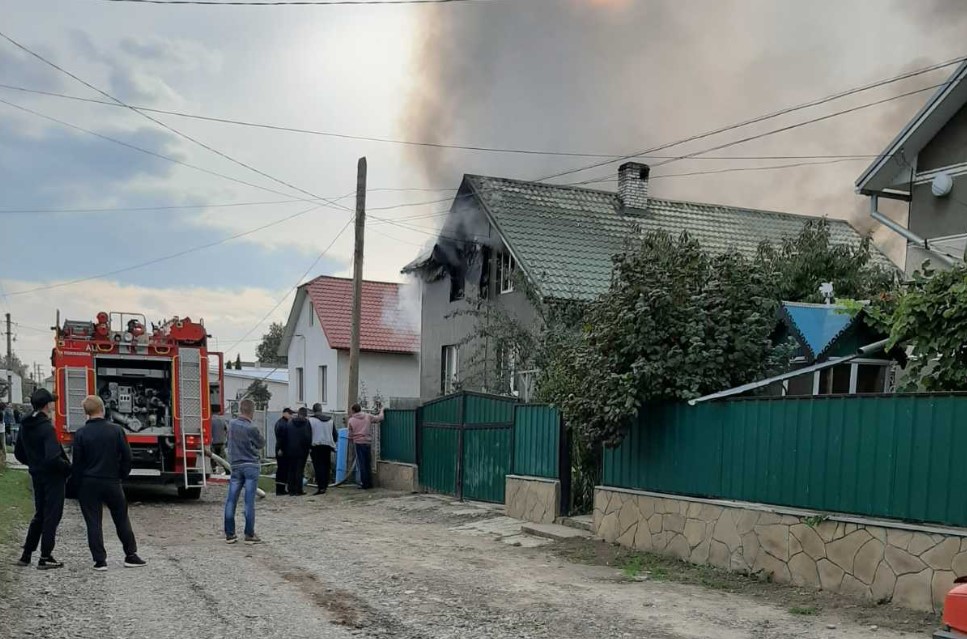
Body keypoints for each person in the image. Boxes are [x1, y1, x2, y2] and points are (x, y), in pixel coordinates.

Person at [72, 395, 145, 571]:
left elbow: (77, 463)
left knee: (93, 521)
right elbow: (127, 457)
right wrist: (121, 475)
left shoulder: (81, 433)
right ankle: (131, 555)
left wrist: (77, 484)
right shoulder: (116, 430)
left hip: (89, 483)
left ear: (86, 412)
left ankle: (100, 560)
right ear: (102, 409)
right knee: (121, 518)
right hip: (112, 481)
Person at [14, 389, 71, 569]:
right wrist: (68, 468)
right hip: (52, 477)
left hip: (36, 475)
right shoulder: (46, 427)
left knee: (40, 514)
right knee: (52, 516)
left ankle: (26, 555)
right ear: (47, 405)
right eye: (52, 403)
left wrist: (34, 464)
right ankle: (45, 556)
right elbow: (53, 457)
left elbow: (18, 453)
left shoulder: (26, 424)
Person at [224, 398, 264, 544]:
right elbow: (260, 443)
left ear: (240, 409)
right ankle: (249, 534)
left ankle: (229, 534)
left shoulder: (231, 424)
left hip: (235, 465)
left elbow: (227, 442)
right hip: (251, 465)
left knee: (231, 499)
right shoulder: (252, 427)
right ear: (252, 411)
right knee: (248, 502)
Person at [346, 403, 384, 490]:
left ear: (353, 410)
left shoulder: (351, 420)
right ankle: (370, 483)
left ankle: (365, 483)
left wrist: (351, 439)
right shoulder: (368, 416)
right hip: (367, 442)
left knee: (362, 464)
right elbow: (379, 418)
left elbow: (350, 434)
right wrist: (382, 410)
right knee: (368, 463)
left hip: (358, 443)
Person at [308, 404, 337, 496]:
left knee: (318, 467)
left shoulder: (311, 421)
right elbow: (335, 435)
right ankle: (325, 485)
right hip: (328, 446)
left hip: (316, 446)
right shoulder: (330, 420)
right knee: (326, 466)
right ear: (321, 410)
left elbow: (308, 434)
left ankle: (320, 487)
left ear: (313, 411)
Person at [286, 407, 311, 496]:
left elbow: (286, 436)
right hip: (302, 451)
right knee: (299, 470)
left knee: (291, 469)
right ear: (305, 415)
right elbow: (308, 438)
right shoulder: (307, 424)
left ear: (298, 413)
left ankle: (290, 489)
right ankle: (298, 489)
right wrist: (308, 448)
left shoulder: (290, 423)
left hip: (290, 449)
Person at [273, 408, 292, 496]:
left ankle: (281, 488)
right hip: (282, 449)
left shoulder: (280, 422)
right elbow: (280, 437)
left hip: (281, 448)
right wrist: (280, 448)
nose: (290, 416)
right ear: (284, 413)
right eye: (289, 414)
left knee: (283, 469)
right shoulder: (283, 424)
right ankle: (280, 489)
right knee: (282, 469)